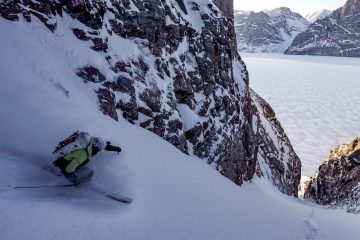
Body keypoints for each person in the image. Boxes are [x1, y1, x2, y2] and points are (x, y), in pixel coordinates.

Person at [53, 136, 121, 185]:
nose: (98, 151)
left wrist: (114, 148)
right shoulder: (83, 155)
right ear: (94, 147)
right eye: (98, 149)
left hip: (62, 159)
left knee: (88, 168)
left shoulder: (88, 141)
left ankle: (70, 173)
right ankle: (76, 183)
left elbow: (103, 146)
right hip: (63, 165)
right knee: (86, 171)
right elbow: (68, 169)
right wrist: (76, 180)